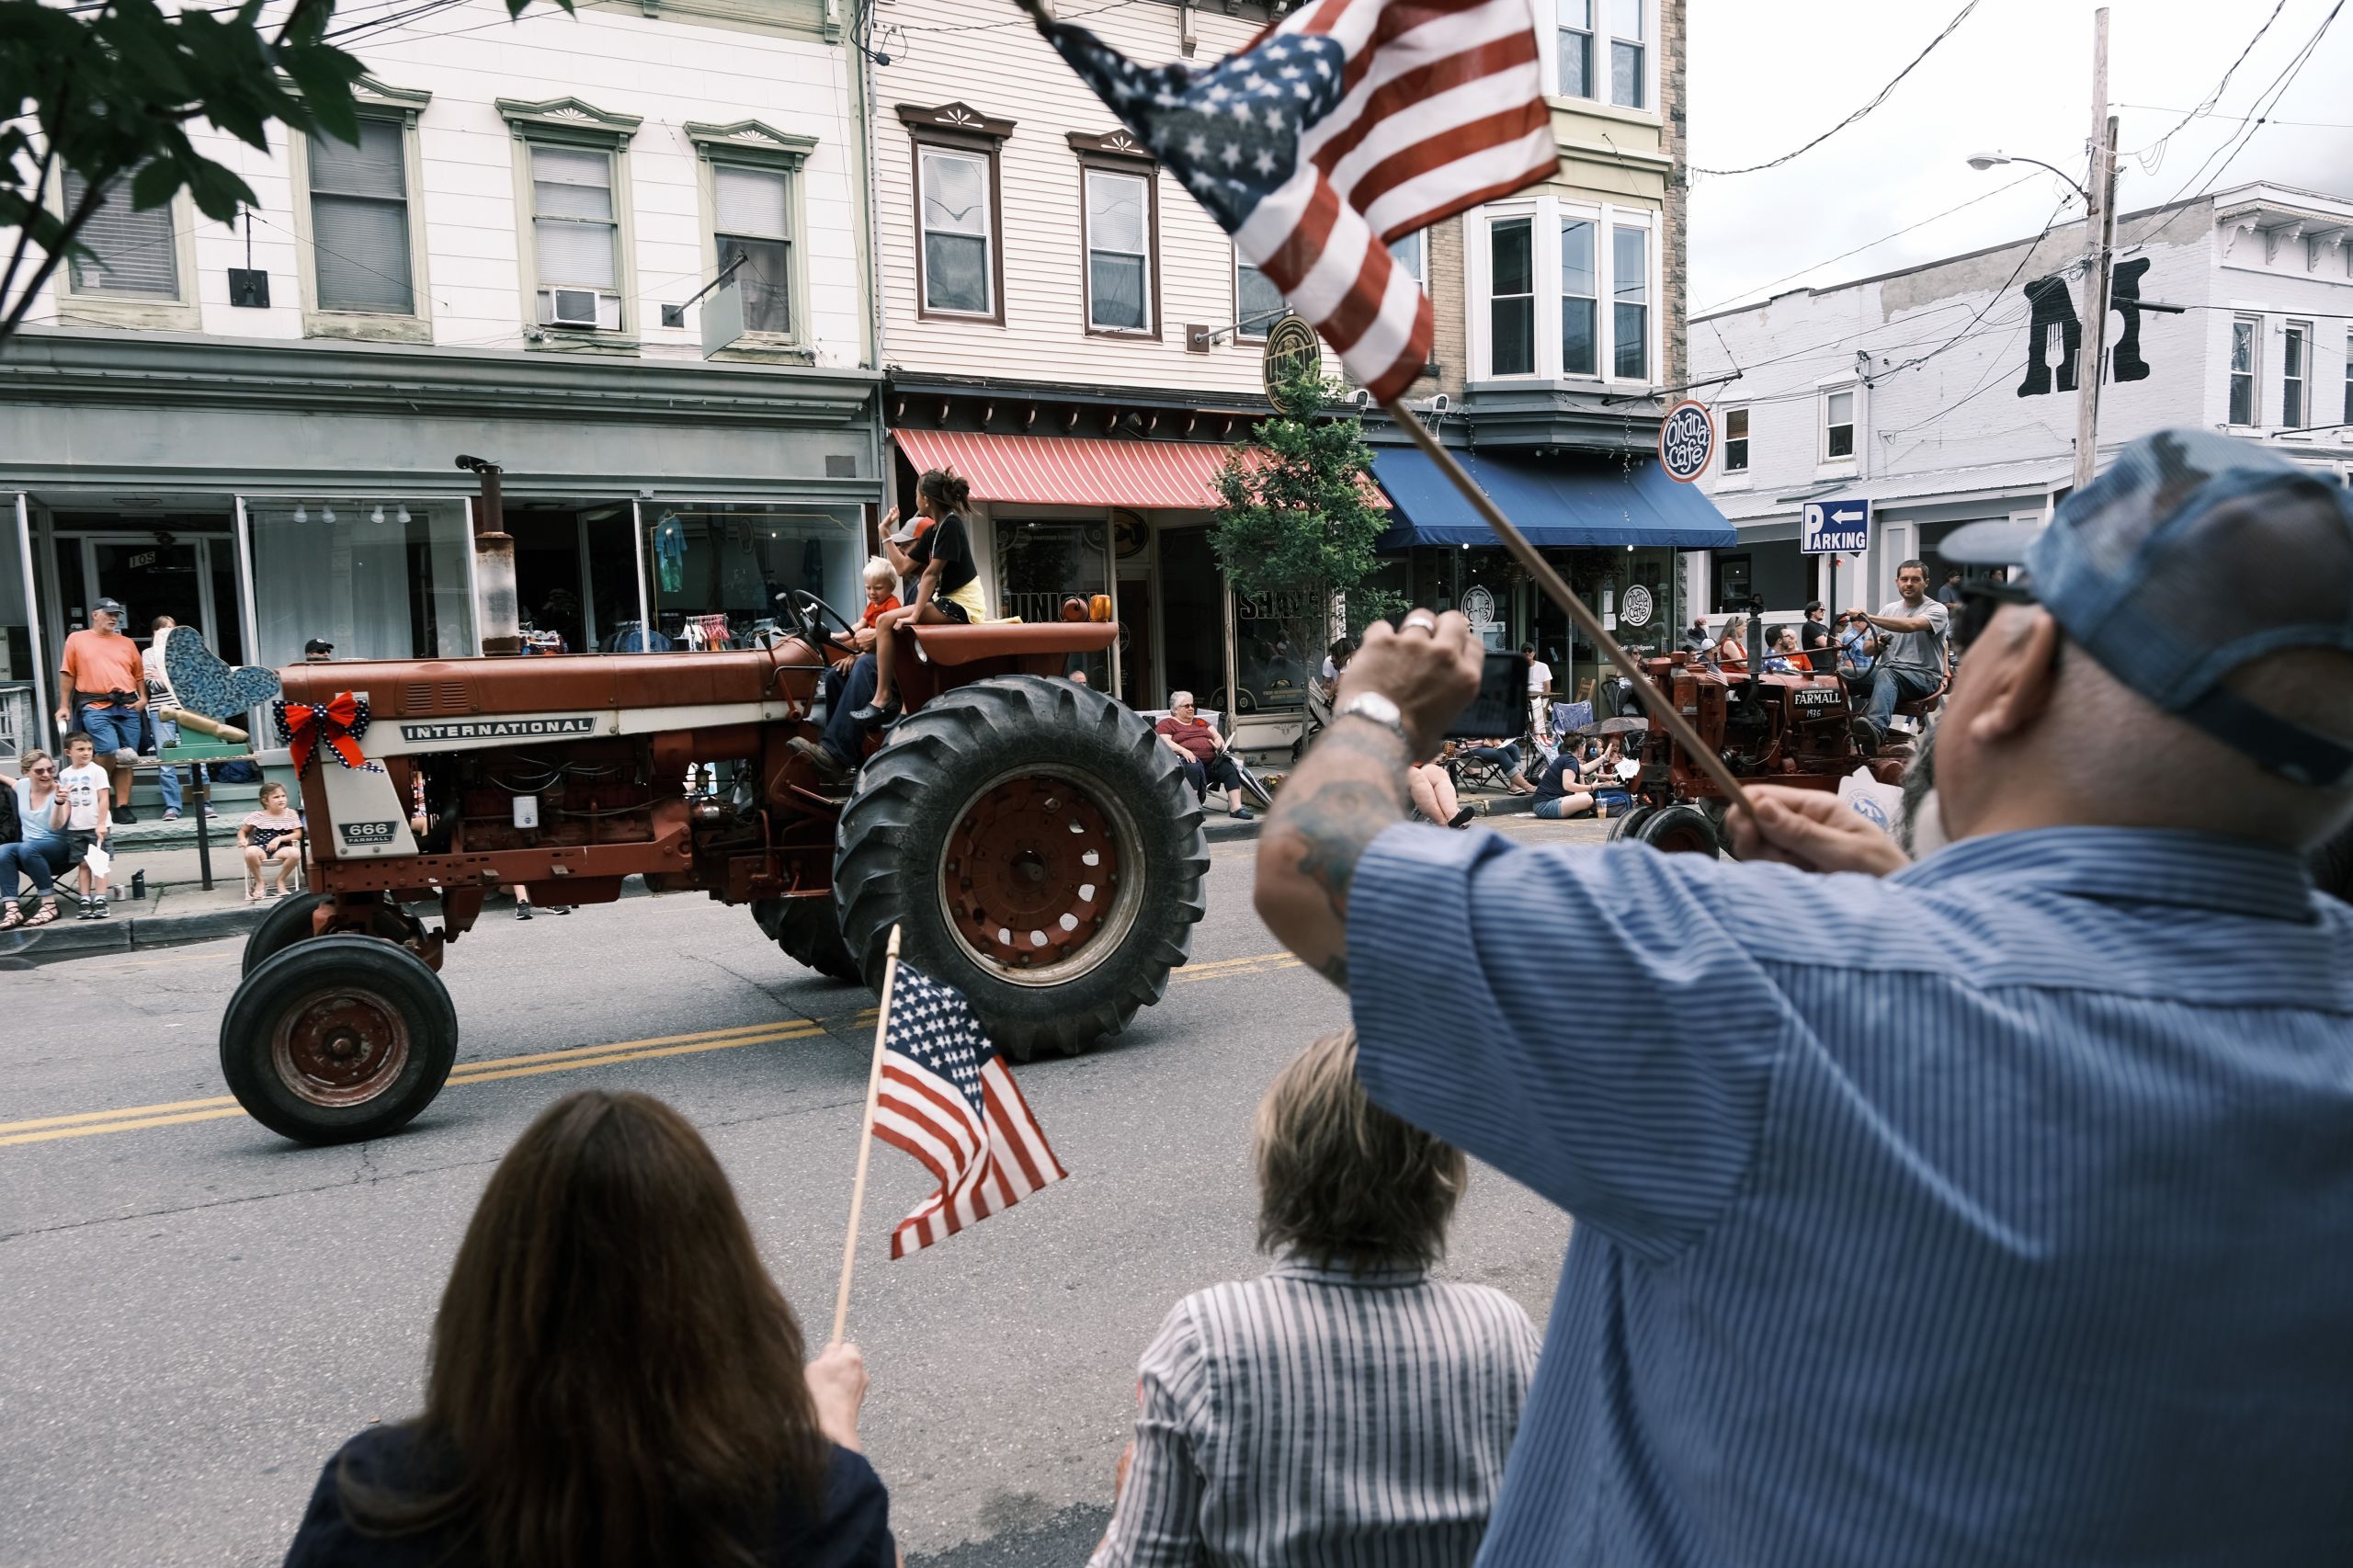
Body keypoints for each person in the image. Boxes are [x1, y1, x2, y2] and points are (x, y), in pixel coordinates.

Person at [1251, 429, 2353, 1566]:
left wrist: (1378, 708)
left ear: (2013, 681)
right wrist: (1905, 901)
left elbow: (1316, 866)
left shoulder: (1774, 982)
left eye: (1975, 633)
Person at [283, 1090, 891, 1568]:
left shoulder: (373, 1501)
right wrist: (834, 1439)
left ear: (490, 1292)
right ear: (725, 1306)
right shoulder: (810, 1507)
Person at [1087, 1029, 1537, 1568]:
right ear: (1438, 1179)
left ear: (1281, 1163)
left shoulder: (1205, 1341)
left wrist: (1128, 1504)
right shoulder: (1502, 1334)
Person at [852, 470, 987, 725]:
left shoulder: (951, 525)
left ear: (924, 499)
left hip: (962, 604)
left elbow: (931, 574)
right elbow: (902, 568)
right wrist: (884, 532)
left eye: (915, 495)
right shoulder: (933, 531)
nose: (915, 500)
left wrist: (914, 614)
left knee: (885, 623)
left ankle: (883, 698)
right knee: (888, 624)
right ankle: (901, 705)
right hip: (945, 601)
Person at [54, 597, 145, 824]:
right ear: (95, 614)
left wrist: (143, 698)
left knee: (126, 757)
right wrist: (64, 705)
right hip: (94, 704)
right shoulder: (77, 639)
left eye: (116, 614)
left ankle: (122, 806)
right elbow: (68, 673)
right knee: (107, 749)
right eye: (109, 613)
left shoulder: (126, 642)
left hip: (127, 704)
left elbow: (139, 675)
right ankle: (98, 797)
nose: (113, 618)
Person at [1847, 559, 1949, 744]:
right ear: (1897, 582)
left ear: (1926, 583)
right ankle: (1835, 727)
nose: (1908, 583)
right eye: (1904, 579)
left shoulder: (1936, 609)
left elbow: (1912, 625)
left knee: (1887, 673)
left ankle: (1876, 730)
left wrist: (1868, 617)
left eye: (1915, 579)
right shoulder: (1889, 609)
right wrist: (1876, 644)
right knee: (1842, 675)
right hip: (1890, 673)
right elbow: (1866, 649)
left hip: (1923, 677)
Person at [142, 615, 214, 824]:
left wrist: (165, 676)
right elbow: (152, 685)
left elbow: (196, 681)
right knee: (167, 761)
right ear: (154, 633)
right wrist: (176, 677)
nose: (167, 633)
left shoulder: (187, 651)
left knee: (197, 759)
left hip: (189, 710)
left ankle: (205, 804)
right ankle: (172, 807)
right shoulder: (148, 654)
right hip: (161, 711)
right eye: (162, 629)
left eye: (171, 629)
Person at [0, 750, 73, 929]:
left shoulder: (60, 791)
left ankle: (49, 905)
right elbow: (7, 780)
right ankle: (12, 909)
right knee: (2, 851)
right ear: (26, 772)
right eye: (39, 771)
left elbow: (57, 825)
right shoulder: (23, 786)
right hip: (30, 853)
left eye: (50, 769)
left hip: (60, 850)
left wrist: (59, 802)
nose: (47, 774)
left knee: (26, 848)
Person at [1155, 692, 1252, 820]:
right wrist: (1184, 750)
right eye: (1186, 706)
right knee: (1193, 766)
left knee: (1228, 767)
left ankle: (1236, 808)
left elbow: (1216, 735)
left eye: (1192, 705)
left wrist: (1219, 743)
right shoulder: (1167, 723)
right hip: (1185, 766)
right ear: (1175, 709)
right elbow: (1164, 742)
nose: (1191, 708)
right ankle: (1193, 810)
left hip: (1210, 764)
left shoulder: (1200, 722)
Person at [54, 731, 111, 918]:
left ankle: (101, 899)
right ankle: (85, 899)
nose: (86, 753)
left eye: (89, 749)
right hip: (76, 827)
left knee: (99, 864)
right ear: (68, 752)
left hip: (96, 825)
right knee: (83, 864)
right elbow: (67, 802)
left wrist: (101, 823)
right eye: (80, 749)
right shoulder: (64, 774)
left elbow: (103, 798)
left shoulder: (97, 771)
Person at [239, 781, 304, 902]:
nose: (281, 799)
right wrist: (242, 839)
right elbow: (243, 831)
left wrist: (279, 838)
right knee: (250, 852)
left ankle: (280, 880)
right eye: (276, 797)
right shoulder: (258, 816)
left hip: (281, 849)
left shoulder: (290, 814)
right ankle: (260, 882)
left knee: (295, 853)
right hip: (260, 848)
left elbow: (298, 834)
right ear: (265, 800)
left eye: (283, 796)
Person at [1528, 741, 1596, 821]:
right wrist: (1591, 787)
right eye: (1584, 746)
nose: (1585, 749)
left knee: (1584, 794)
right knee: (1588, 799)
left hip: (1544, 803)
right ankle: (1577, 811)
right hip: (1545, 805)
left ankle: (1577, 812)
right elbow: (1568, 785)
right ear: (1580, 748)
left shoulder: (1565, 758)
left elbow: (1586, 769)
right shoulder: (1570, 760)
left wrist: (1603, 757)